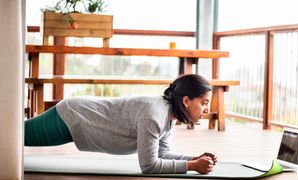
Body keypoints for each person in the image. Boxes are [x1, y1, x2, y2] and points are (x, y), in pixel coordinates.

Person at [25, 74, 218, 174]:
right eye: (204, 103)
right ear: (186, 101)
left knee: (12, 136)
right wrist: (192, 166)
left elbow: (161, 154)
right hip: (74, 117)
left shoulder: (168, 115)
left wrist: (195, 158)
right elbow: (149, 165)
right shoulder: (154, 115)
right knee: (13, 135)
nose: (206, 109)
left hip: (80, 120)